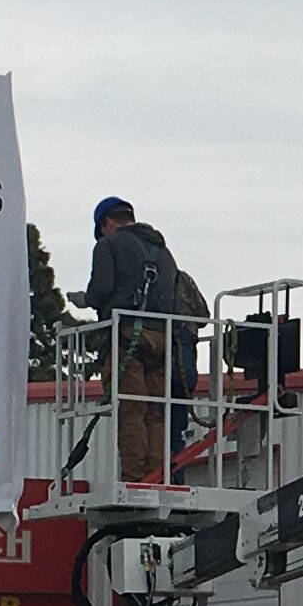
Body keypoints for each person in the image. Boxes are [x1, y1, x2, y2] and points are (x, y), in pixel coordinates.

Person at [80, 196, 204, 485]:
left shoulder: (108, 245)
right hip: (163, 341)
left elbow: (100, 290)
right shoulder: (163, 251)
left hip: (128, 340)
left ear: (106, 223)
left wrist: (85, 300)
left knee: (132, 412)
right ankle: (158, 477)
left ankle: (135, 479)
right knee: (156, 413)